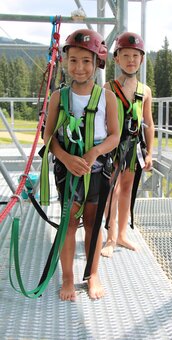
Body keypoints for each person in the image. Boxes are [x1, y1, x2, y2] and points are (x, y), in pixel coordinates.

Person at [44, 29, 119, 301]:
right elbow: (48, 137)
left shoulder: (106, 97)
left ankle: (92, 273)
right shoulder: (58, 98)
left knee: (92, 223)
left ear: (97, 63)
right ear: (65, 62)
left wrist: (94, 153)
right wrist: (65, 158)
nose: (79, 67)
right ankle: (67, 276)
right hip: (68, 169)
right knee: (68, 223)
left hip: (98, 169)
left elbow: (114, 135)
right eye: (73, 60)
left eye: (86, 61)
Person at [101, 32, 154, 258]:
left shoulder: (145, 91)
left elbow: (149, 123)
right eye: (126, 55)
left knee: (127, 190)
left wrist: (149, 152)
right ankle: (111, 237)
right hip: (113, 147)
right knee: (111, 191)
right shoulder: (108, 88)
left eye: (135, 55)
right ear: (117, 59)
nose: (131, 60)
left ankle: (122, 234)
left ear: (141, 59)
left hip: (134, 148)